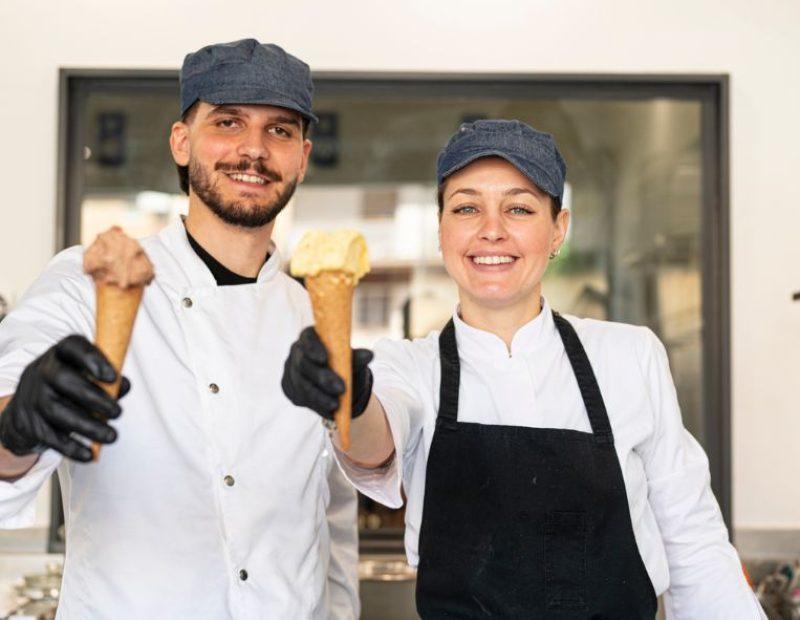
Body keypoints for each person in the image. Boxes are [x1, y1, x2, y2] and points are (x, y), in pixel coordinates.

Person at [282, 119, 766, 618]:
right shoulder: (408, 364)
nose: (491, 230)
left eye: (519, 208)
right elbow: (373, 440)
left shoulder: (630, 356)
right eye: (467, 207)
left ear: (559, 229)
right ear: (442, 229)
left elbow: (694, 543)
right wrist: (351, 399)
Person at [0, 39, 359, 619]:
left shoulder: (314, 315)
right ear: (181, 141)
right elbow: (5, 433)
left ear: (303, 156)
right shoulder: (89, 279)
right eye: (228, 121)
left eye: (280, 131)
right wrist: (17, 427)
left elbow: (332, 523)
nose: (253, 149)